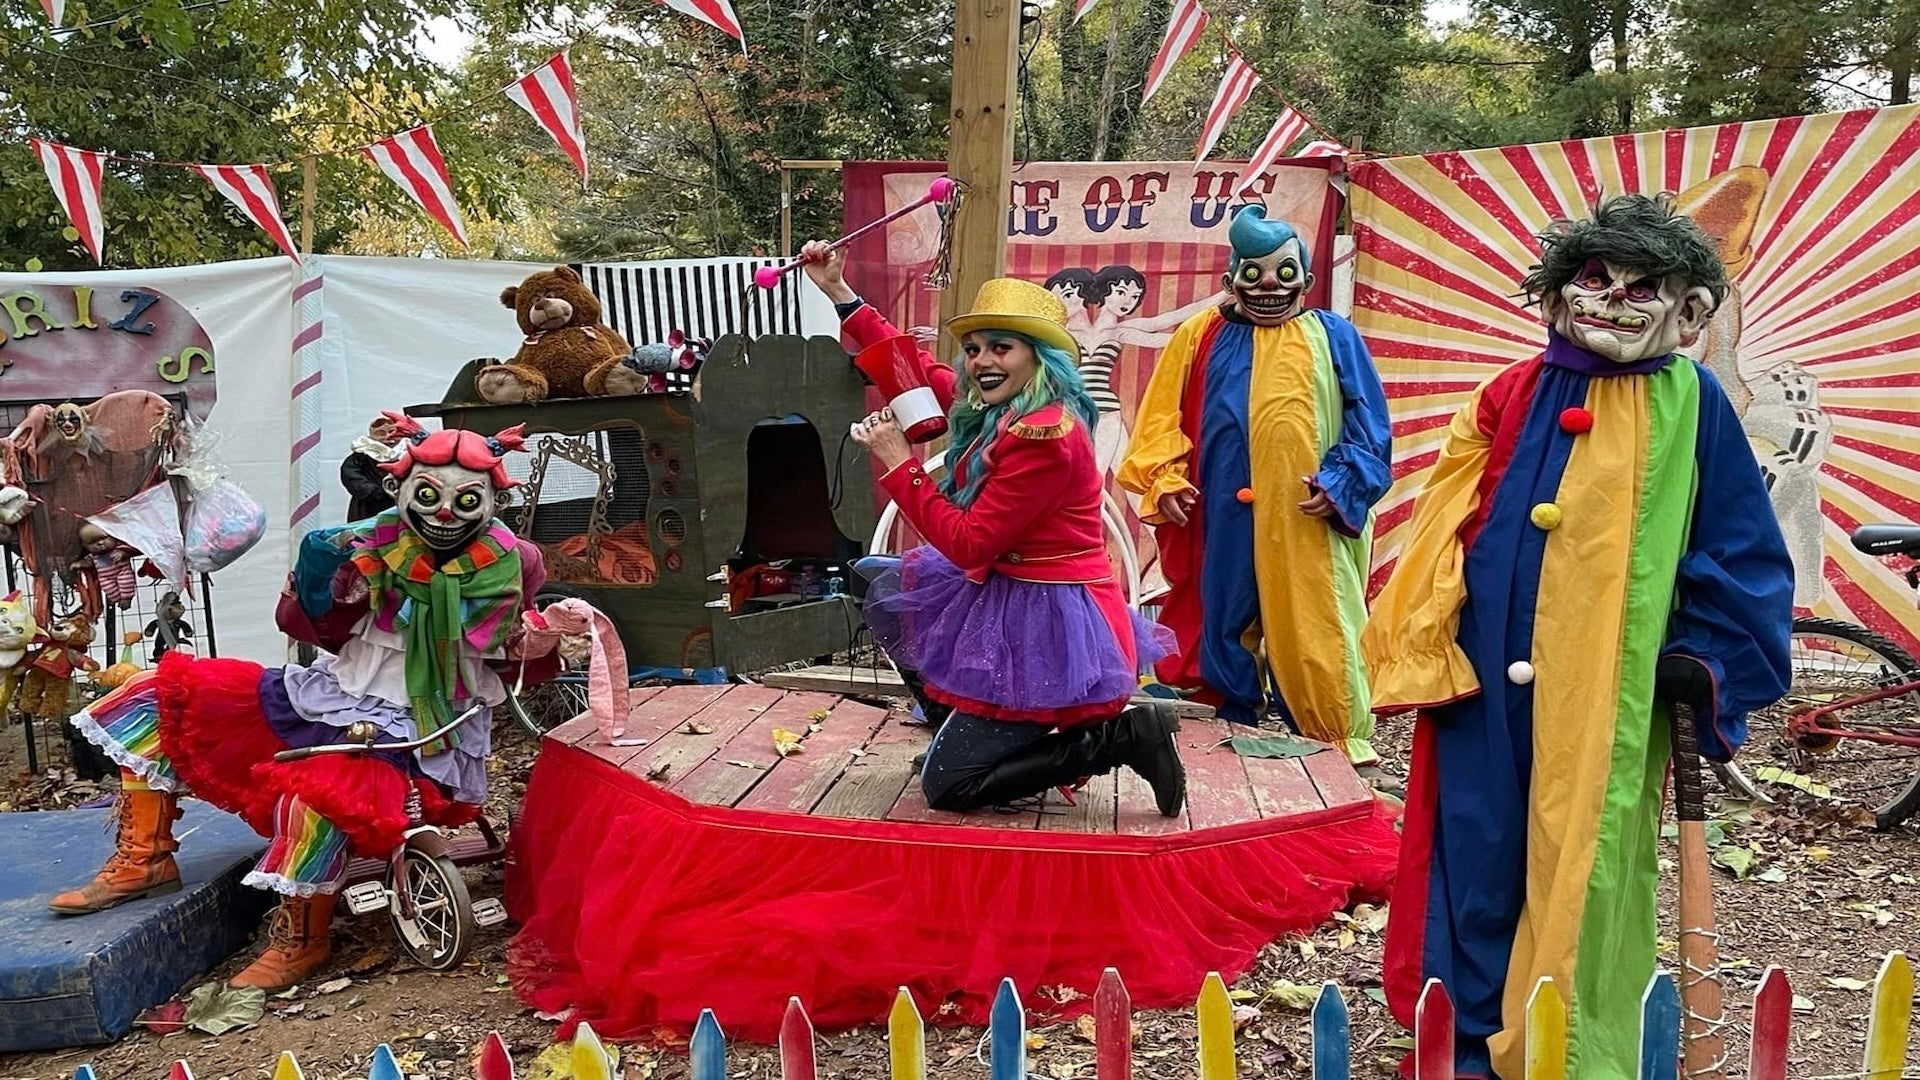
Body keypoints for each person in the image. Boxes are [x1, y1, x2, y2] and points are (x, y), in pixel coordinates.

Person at [1361, 195, 1794, 1079]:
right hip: (1484, 681)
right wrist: (1430, 638)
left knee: (1583, 858)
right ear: (1557, 293)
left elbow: (1740, 545)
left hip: (1607, 684)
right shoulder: (1509, 393)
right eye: (1597, 277)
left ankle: (1564, 1041)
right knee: (1474, 852)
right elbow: (1445, 521)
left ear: (1688, 310)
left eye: (1648, 286)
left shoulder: (1693, 403)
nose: (1617, 299)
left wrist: (1707, 655)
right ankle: (1468, 1035)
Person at [55, 414, 575, 990]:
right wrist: (319, 580)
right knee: (154, 697)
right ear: (401, 489)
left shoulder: (514, 560)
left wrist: (545, 636)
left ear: (493, 499)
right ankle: (146, 858)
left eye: (466, 498)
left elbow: (514, 652)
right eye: (427, 494)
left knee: (321, 793)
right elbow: (310, 629)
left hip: (423, 728)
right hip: (331, 694)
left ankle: (304, 938)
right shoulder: (369, 542)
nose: (444, 512)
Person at [801, 241, 1185, 815]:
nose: (982, 360)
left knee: (948, 790)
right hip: (999, 588)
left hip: (1048, 615)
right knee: (876, 580)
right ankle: (954, 725)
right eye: (975, 348)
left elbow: (969, 542)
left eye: (1001, 348)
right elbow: (907, 366)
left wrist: (899, 461)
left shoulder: (1045, 436)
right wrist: (838, 290)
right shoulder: (998, 407)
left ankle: (1125, 738)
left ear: (1038, 358)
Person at [1117, 205, 1393, 771]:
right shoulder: (1199, 334)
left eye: (1284, 274)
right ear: (1230, 280)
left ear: (1307, 281)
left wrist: (1342, 482)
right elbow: (1158, 419)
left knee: (1317, 624)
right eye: (1255, 273)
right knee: (1219, 616)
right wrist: (1165, 478)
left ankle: (1335, 750)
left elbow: (1370, 423)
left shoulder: (1333, 336)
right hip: (1220, 516)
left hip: (1308, 517)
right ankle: (1220, 740)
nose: (1269, 286)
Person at [340, 415, 403, 521]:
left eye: (392, 432)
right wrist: (372, 491)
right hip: (369, 506)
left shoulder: (407, 452)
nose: (387, 436)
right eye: (381, 433)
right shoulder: (361, 454)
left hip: (401, 502)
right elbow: (351, 475)